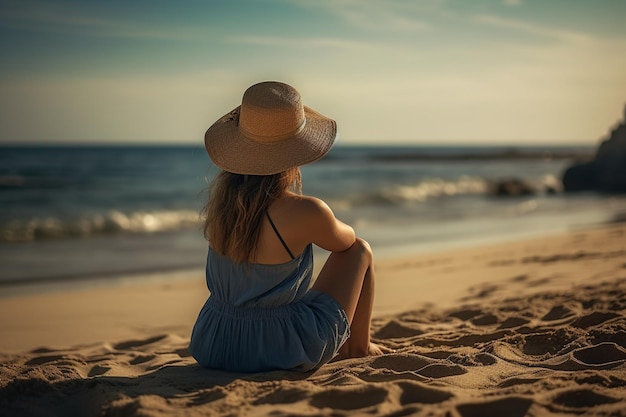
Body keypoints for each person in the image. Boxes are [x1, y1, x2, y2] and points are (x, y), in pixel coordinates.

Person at [189, 81, 388, 373]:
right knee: (361, 250)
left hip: (215, 343)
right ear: (295, 154)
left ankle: (355, 345)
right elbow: (347, 242)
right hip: (280, 349)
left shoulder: (222, 207)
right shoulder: (305, 211)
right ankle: (359, 347)